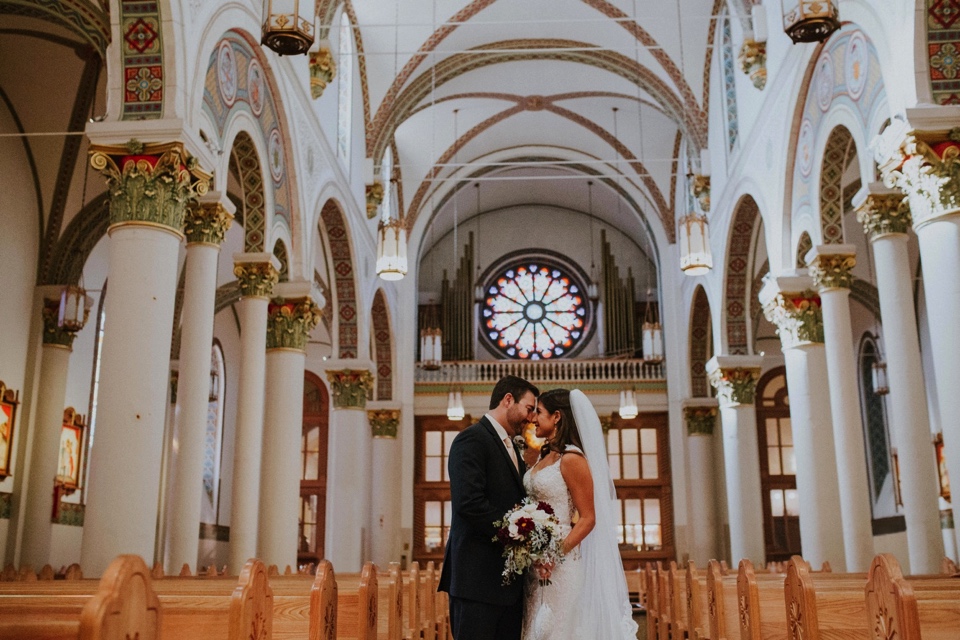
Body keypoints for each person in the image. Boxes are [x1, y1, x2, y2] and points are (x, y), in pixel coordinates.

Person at [522, 388, 638, 640]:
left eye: (539, 413)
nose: (532, 419)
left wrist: (553, 555)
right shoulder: (543, 457)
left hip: (561, 564)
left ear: (556, 417)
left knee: (559, 630)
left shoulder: (572, 459)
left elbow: (588, 518)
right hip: (536, 562)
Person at [439, 375, 540, 640]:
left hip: (507, 584)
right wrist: (520, 532)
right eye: (529, 408)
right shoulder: (471, 440)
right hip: (477, 581)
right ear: (508, 400)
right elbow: (469, 504)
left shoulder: (512, 447)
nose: (531, 418)